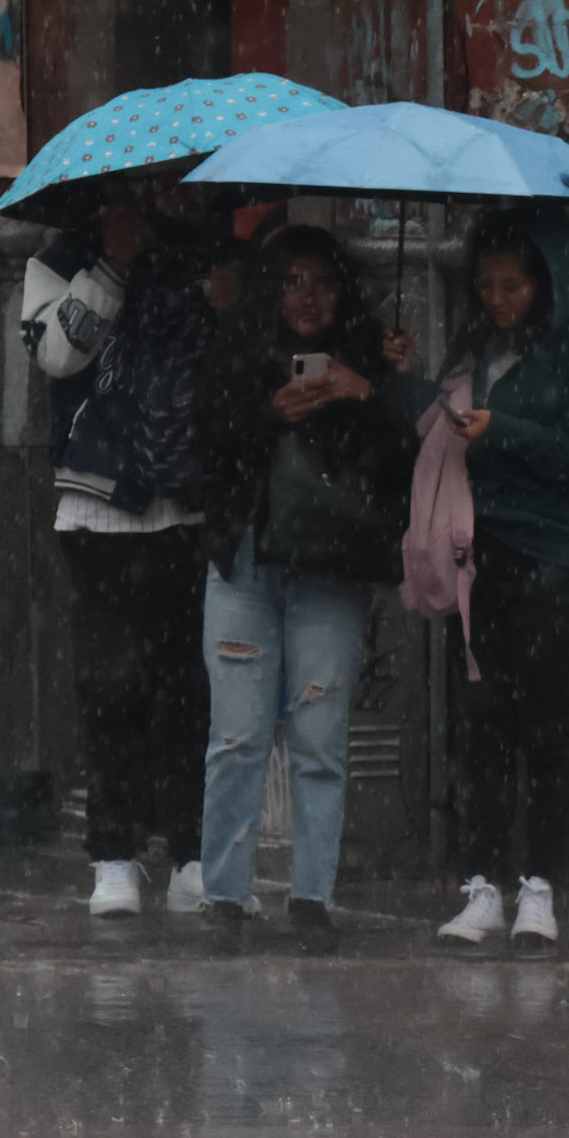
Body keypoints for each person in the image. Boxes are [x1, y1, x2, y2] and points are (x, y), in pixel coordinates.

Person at [18, 177, 243, 919]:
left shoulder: (193, 259)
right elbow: (57, 353)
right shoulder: (58, 261)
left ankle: (190, 849)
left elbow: (221, 356)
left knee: (186, 688)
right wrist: (111, 265)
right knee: (110, 686)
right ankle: (113, 852)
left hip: (180, 502)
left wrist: (214, 293)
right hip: (95, 501)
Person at [195, 225, 420, 955]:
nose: (306, 296)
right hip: (246, 565)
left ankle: (311, 895)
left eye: (321, 280)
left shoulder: (372, 356)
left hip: (331, 570)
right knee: (237, 735)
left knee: (321, 737)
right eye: (291, 280)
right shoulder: (235, 353)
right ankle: (225, 895)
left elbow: (409, 456)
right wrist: (265, 415)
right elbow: (199, 453)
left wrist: (369, 392)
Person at [421, 204, 569, 956]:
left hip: (560, 563)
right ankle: (482, 882)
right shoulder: (475, 346)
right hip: (485, 558)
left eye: (513, 286)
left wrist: (502, 431)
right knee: (484, 724)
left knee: (546, 730)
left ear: (545, 281)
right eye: (487, 287)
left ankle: (539, 884)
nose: (499, 301)